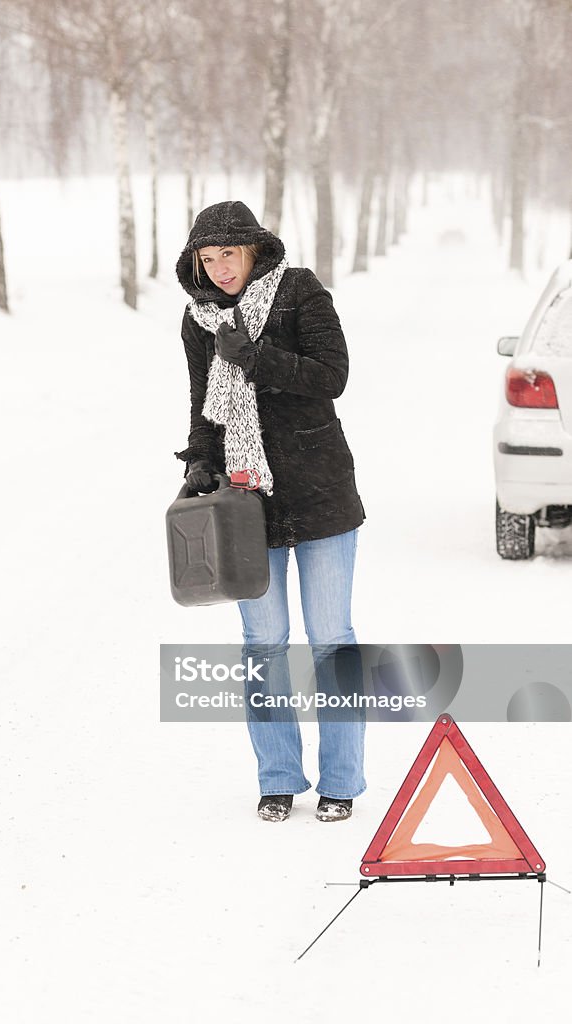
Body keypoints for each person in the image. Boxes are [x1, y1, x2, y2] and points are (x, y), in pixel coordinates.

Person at [174, 200, 366, 822]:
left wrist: (258, 359)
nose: (220, 268)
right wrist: (199, 460)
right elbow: (205, 398)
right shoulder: (198, 317)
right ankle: (278, 776)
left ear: (254, 249)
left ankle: (340, 780)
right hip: (246, 496)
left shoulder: (300, 291)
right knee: (263, 642)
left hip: (320, 492)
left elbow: (332, 376)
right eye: (208, 257)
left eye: (229, 253)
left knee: (332, 640)